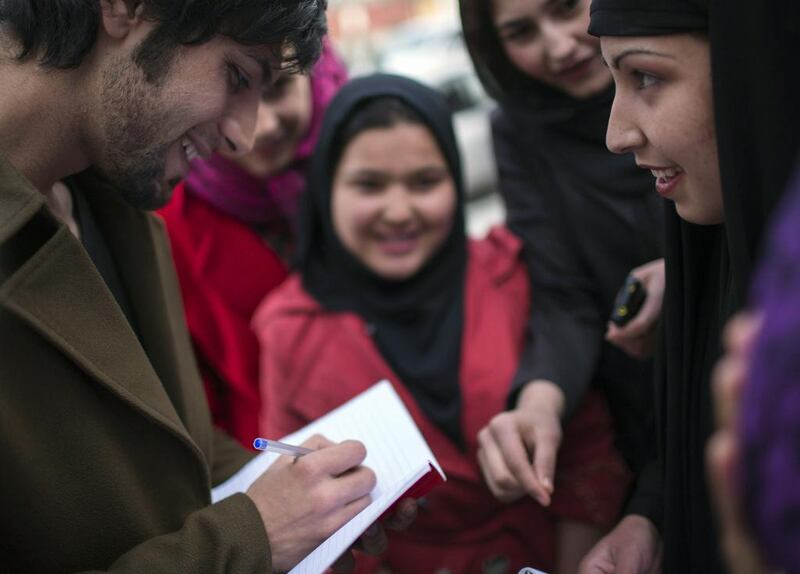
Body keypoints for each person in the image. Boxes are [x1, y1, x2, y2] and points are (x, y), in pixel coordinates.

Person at [0, 2, 414, 572]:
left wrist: (306, 494)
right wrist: (251, 538)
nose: (245, 135)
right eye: (237, 75)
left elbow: (167, 459)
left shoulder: (119, 196)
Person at [254, 73, 631, 574]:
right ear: (326, 190)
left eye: (425, 181)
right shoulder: (288, 329)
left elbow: (587, 456)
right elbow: (307, 518)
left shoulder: (512, 272)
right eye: (369, 184)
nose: (399, 211)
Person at [584, 0, 800, 571]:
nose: (616, 134)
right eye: (613, 79)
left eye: (646, 76)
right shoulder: (712, 244)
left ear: (756, 70)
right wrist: (653, 517)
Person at [459, 0, 662, 536]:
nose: (558, 46)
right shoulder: (519, 132)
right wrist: (538, 405)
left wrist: (689, 272)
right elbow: (562, 296)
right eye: (522, 32)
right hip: (649, 411)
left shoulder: (696, 66)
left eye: (567, 8)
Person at [158, 39, 347, 446]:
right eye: (231, 97)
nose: (259, 127)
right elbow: (195, 398)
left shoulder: (364, 167)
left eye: (278, 90)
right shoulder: (172, 223)